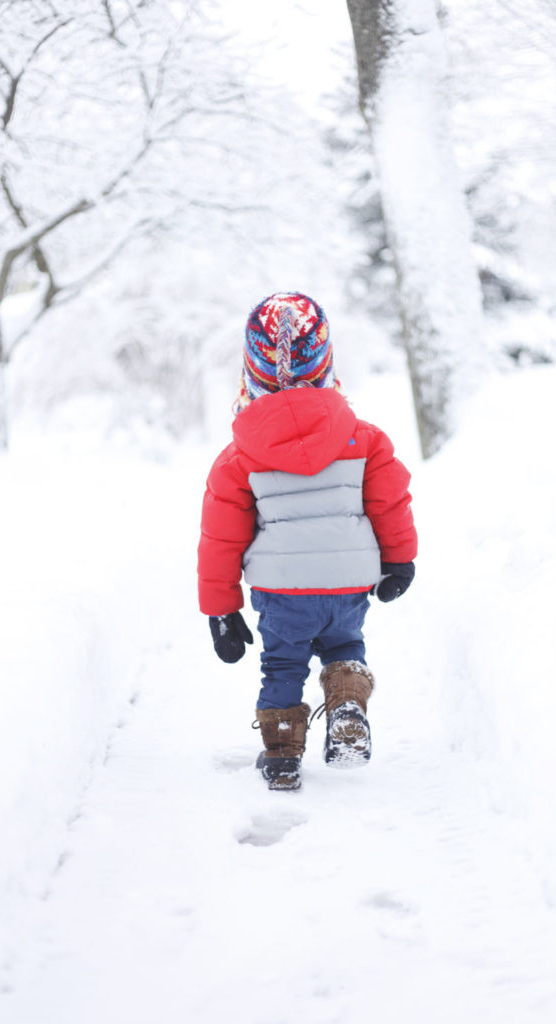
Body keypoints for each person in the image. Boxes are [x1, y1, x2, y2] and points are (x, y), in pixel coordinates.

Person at [197, 292, 418, 791]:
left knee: (282, 663)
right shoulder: (365, 439)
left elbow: (220, 536)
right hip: (346, 585)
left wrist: (221, 609)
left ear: (252, 371)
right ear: (325, 364)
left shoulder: (239, 456)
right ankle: (345, 705)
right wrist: (400, 561)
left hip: (281, 592)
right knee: (345, 645)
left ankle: (281, 757)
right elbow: (390, 503)